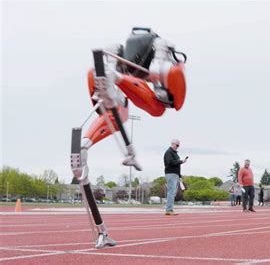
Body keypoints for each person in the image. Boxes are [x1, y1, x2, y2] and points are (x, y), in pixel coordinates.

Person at [70, 27, 187, 248]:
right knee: (148, 109)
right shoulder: (155, 62)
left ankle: (85, 142)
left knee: (122, 109)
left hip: (121, 72)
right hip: (120, 71)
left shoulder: (155, 62)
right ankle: (86, 142)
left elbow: (166, 97)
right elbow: (168, 102)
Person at [164, 139, 188, 215]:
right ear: (172, 144)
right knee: (171, 192)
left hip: (175, 174)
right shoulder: (169, 152)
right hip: (171, 173)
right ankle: (169, 210)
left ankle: (170, 209)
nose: (178, 147)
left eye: (178, 145)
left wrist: (179, 176)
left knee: (172, 192)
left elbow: (175, 164)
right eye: (177, 145)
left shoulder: (174, 153)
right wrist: (181, 161)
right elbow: (170, 162)